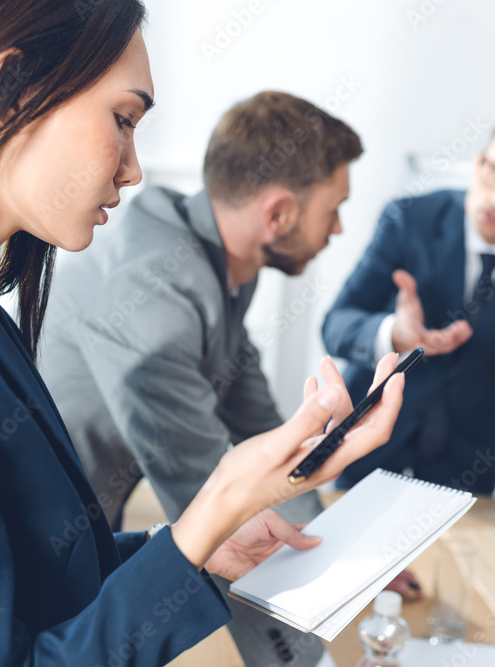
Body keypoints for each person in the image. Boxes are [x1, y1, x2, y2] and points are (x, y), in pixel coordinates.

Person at [0, 2, 404, 665]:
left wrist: (188, 548)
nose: (133, 168)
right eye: (123, 118)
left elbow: (16, 573)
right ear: (10, 91)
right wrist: (220, 507)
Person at [37, 90, 364, 665]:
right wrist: (301, 653)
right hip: (41, 545)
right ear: (279, 213)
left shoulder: (220, 267)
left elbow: (261, 426)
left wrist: (341, 551)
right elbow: (216, 506)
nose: (337, 229)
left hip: (94, 524)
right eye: (333, 208)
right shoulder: (158, 295)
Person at [322, 110, 495, 515]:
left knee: (454, 566)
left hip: (470, 441)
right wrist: (395, 334)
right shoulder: (408, 219)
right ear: (477, 164)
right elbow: (337, 323)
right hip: (375, 426)